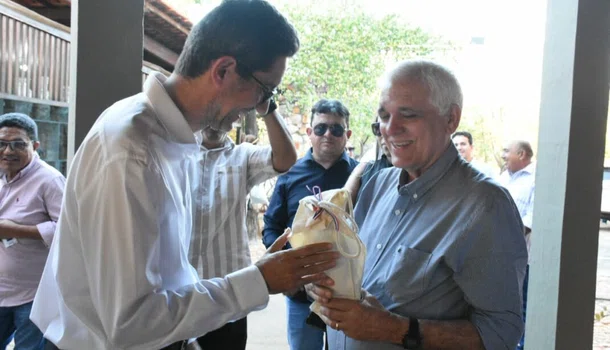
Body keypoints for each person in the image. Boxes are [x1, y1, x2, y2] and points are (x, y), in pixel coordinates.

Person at [31, 2, 339, 349]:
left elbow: (168, 274)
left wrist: (187, 340)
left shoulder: (172, 139)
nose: (258, 106)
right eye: (264, 90)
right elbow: (130, 323)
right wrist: (260, 280)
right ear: (223, 70)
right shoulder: (133, 151)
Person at [308, 59, 528, 350]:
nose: (390, 128)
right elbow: (358, 272)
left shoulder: (485, 206)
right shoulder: (379, 184)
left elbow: (502, 332)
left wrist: (395, 329)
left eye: (408, 115)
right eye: (384, 116)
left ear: (451, 119)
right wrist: (326, 283)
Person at [189, 86, 296, 349]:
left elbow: (285, 159)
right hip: (182, 296)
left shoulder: (242, 157)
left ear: (235, 114)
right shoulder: (179, 153)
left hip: (231, 296)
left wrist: (266, 108)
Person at [262, 98, 358, 350]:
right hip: (301, 293)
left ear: (346, 134)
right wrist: (291, 270)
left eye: (336, 129)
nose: (328, 134)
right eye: (321, 128)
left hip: (350, 294)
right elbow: (272, 227)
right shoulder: (289, 174)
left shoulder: (361, 177)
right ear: (309, 132)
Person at [0, 113, 65, 350]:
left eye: (18, 144)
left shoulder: (49, 180)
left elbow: (69, 232)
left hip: (34, 295)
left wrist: (16, 230)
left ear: (35, 145)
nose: (8, 151)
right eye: (2, 144)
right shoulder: (2, 175)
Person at [499, 140, 535, 350]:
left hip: (523, 259)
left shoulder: (535, 179)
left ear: (521, 154)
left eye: (507, 150)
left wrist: (503, 237)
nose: (503, 155)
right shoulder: (504, 178)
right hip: (498, 256)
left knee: (522, 306)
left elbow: (531, 219)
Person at [344, 118, 392, 204]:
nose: (385, 133)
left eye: (390, 126)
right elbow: (340, 208)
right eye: (378, 127)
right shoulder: (365, 170)